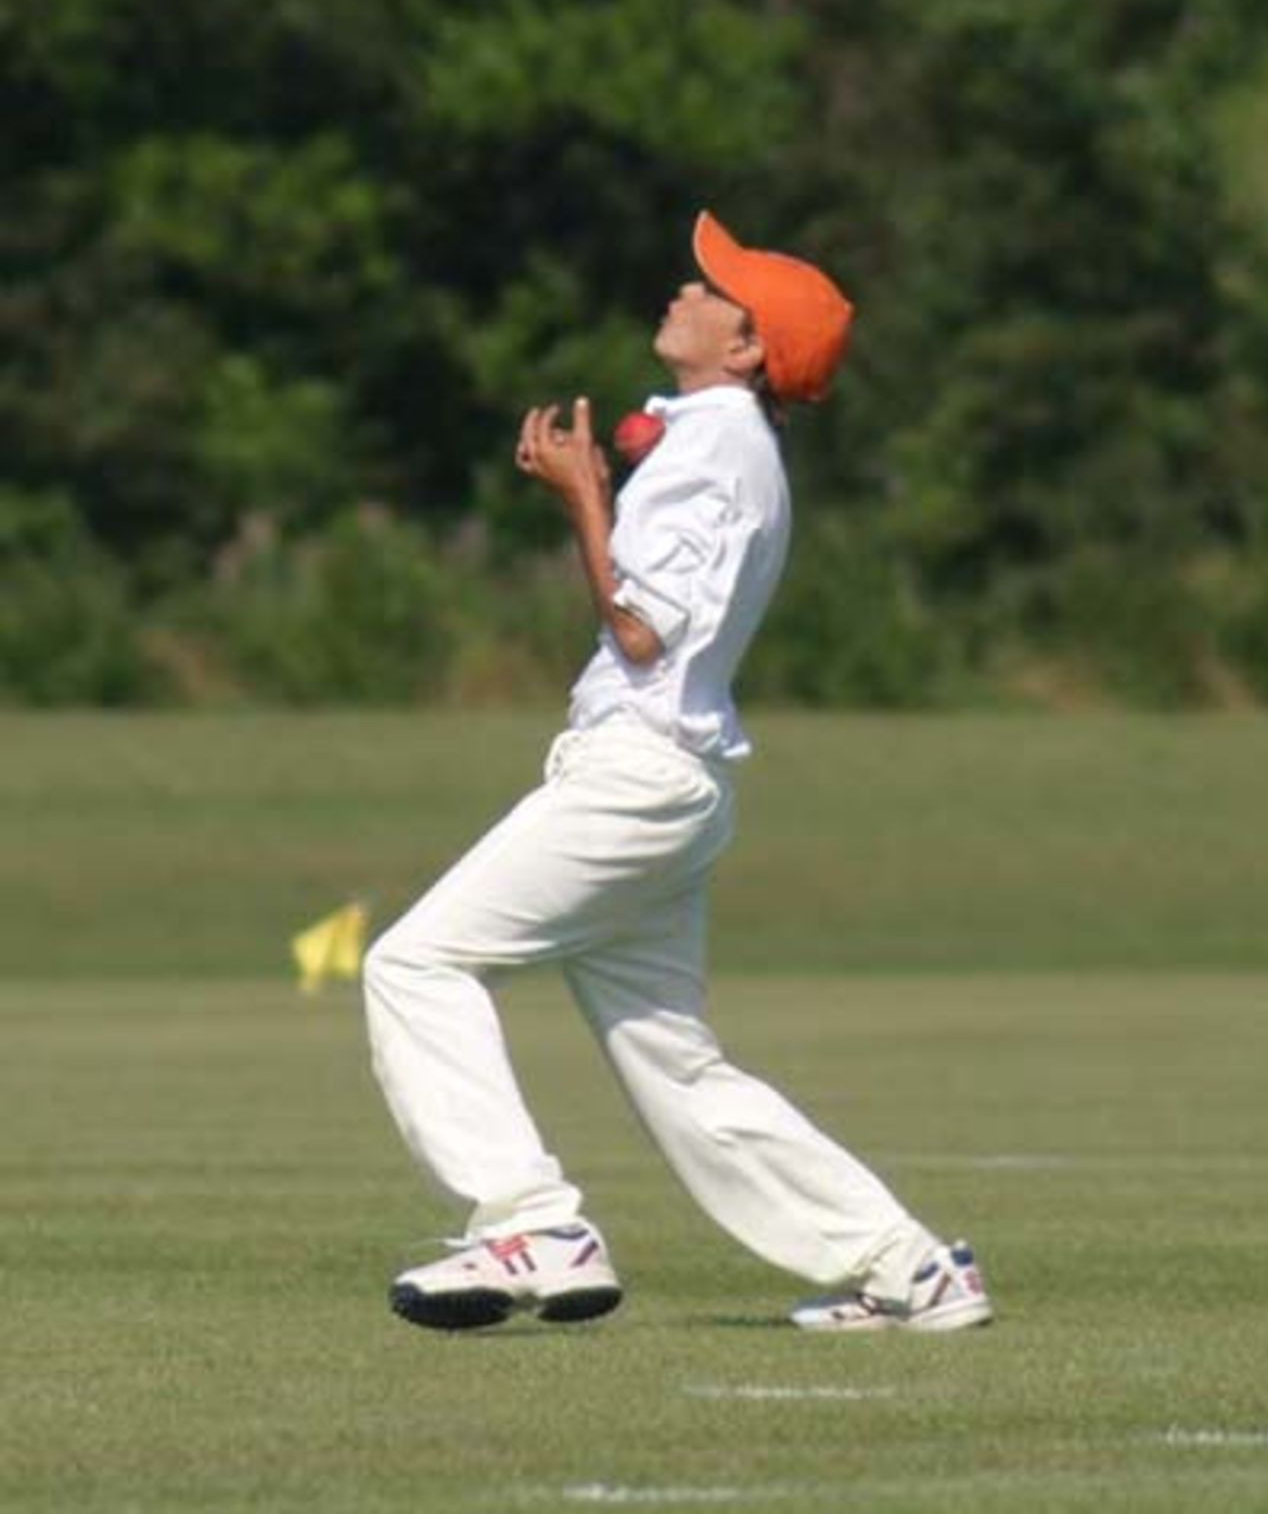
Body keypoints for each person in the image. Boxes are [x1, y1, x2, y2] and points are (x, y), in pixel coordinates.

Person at [362, 211, 993, 1335]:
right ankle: (907, 1267)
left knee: (414, 963)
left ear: (746, 351)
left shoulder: (714, 445)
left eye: (714, 289)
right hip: (672, 779)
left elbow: (641, 630)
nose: (686, 290)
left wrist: (580, 497)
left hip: (635, 775)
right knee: (675, 1067)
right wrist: (605, 492)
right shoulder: (718, 439)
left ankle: (529, 1221)